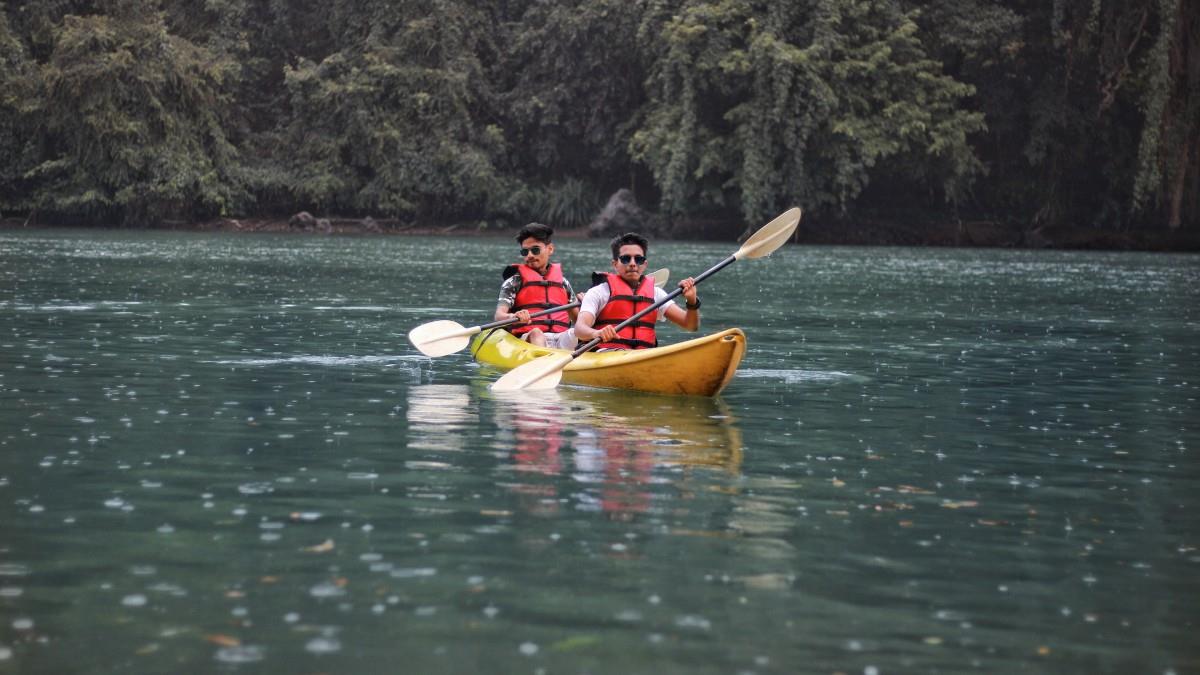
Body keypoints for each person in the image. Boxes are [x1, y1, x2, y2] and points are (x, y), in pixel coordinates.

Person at [574, 232, 699, 350]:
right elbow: (579, 330)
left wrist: (692, 301)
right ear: (615, 264)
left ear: (644, 264)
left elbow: (690, 325)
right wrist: (597, 333)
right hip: (605, 355)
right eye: (625, 259)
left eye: (638, 259)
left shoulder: (656, 294)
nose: (633, 264)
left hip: (644, 355)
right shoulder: (599, 292)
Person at [495, 223, 581, 349]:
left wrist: (584, 305)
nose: (529, 255)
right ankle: (542, 361)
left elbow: (577, 319)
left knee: (576, 333)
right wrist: (514, 316)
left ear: (550, 249)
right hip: (528, 339)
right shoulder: (514, 282)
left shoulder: (563, 283)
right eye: (525, 251)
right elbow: (499, 316)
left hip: (560, 337)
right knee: (537, 333)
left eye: (535, 250)